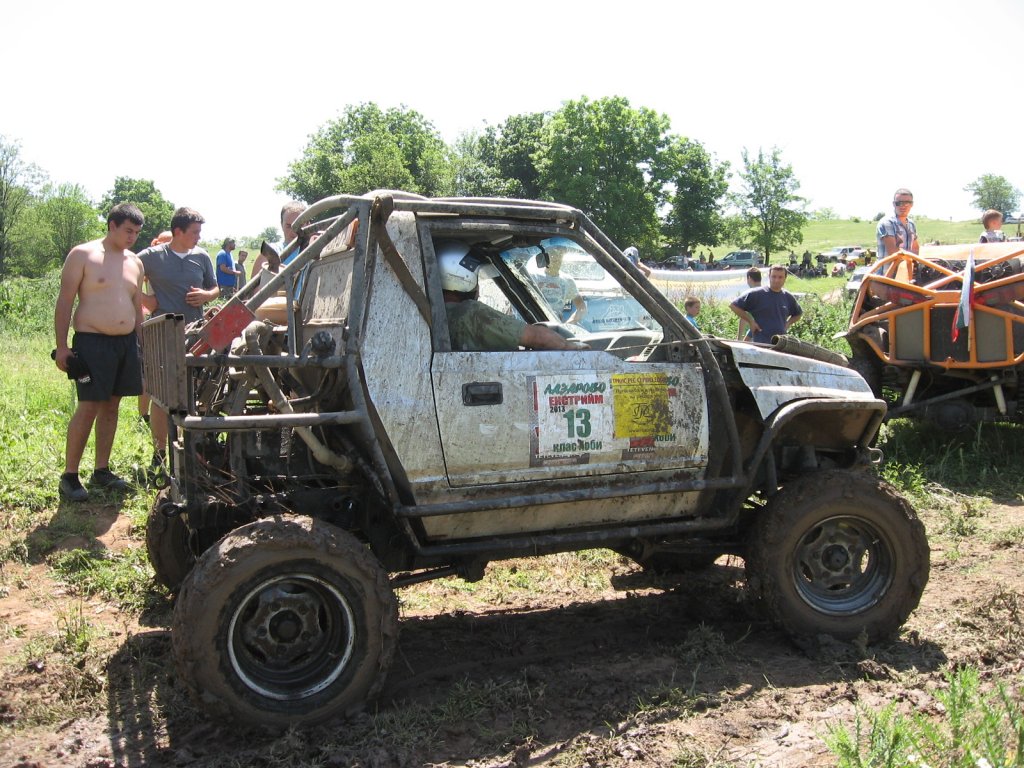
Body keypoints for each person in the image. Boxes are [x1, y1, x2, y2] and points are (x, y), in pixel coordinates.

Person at [53, 203, 145, 501]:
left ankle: (101, 470)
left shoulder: (135, 262)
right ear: (112, 225)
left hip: (125, 343)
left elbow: (137, 308)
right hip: (92, 342)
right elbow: (65, 301)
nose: (132, 237)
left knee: (112, 406)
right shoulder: (84, 254)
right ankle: (69, 476)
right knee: (89, 406)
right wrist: (63, 346)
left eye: (137, 233)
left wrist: (141, 344)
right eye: (128, 231)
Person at [138, 207, 218, 471]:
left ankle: (192, 450)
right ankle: (159, 455)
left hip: (196, 335)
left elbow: (215, 288)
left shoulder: (202, 256)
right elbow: (125, 278)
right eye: (195, 232)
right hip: (163, 334)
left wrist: (207, 296)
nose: (199, 237)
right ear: (178, 232)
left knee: (195, 393)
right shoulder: (151, 256)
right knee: (162, 397)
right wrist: (147, 301)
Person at [438, 241, 585, 352]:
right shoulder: (470, 313)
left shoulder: (437, 314)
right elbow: (539, 339)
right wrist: (570, 346)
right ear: (461, 276)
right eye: (476, 278)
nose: (478, 288)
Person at [730, 265, 802, 344]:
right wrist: (751, 321)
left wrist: (787, 323)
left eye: (780, 277)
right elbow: (734, 306)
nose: (776, 280)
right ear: (769, 277)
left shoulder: (788, 297)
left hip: (780, 344)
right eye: (774, 276)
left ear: (785, 278)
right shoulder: (757, 293)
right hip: (760, 344)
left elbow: (798, 314)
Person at [533, 239, 586, 324]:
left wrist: (569, 324)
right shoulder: (534, 277)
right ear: (546, 255)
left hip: (554, 326)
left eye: (560, 253)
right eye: (553, 253)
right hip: (535, 323)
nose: (556, 256)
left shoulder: (567, 281)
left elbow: (582, 307)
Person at [252, 201, 306, 278]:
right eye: (288, 226)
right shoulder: (269, 254)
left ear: (308, 224)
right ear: (281, 225)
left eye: (299, 225)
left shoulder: (318, 252)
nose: (294, 231)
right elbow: (255, 289)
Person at [876, 188, 919, 260]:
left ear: (912, 204)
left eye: (907, 202)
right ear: (894, 204)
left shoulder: (911, 224)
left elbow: (916, 249)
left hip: (905, 269)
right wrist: (911, 258)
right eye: (899, 203)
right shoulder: (887, 223)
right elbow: (893, 253)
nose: (903, 206)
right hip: (887, 271)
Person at [736, 267, 762, 340]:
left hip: (754, 334)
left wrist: (739, 338)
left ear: (749, 278)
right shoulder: (767, 293)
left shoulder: (750, 295)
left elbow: (743, 318)